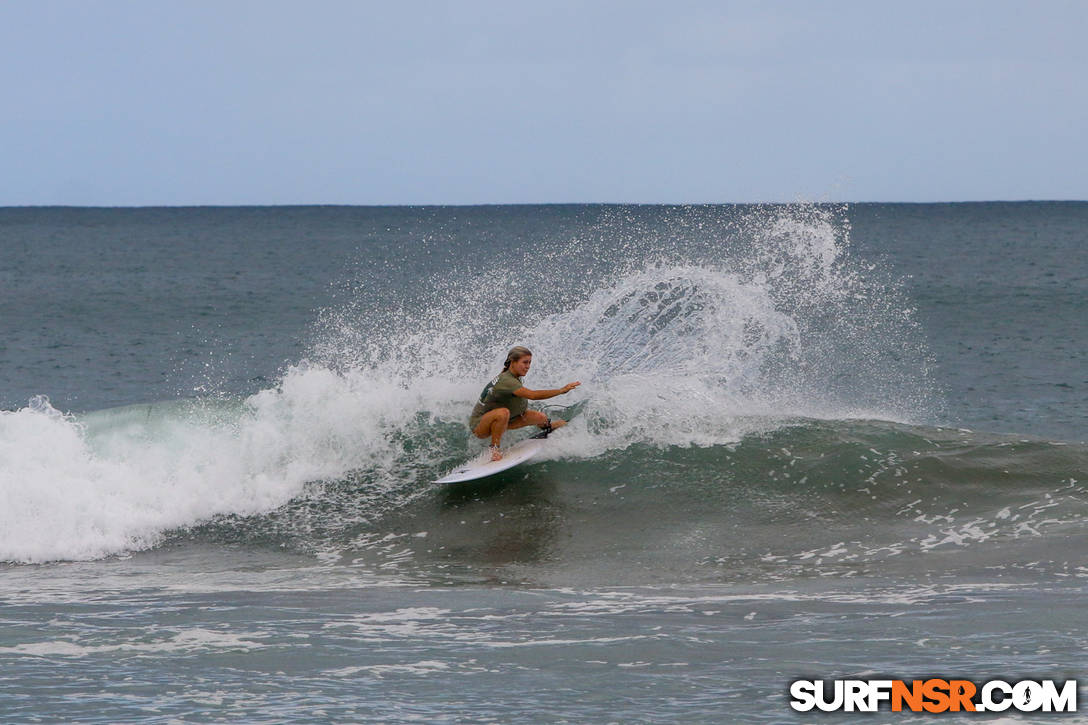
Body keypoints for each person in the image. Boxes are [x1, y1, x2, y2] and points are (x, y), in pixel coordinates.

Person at [469, 346, 581, 461]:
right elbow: (533, 395)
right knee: (502, 413)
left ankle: (548, 426)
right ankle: (494, 448)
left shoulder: (514, 375)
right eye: (525, 362)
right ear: (513, 362)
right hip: (480, 425)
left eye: (529, 362)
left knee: (540, 417)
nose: (528, 367)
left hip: (508, 419)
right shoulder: (507, 380)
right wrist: (561, 390)